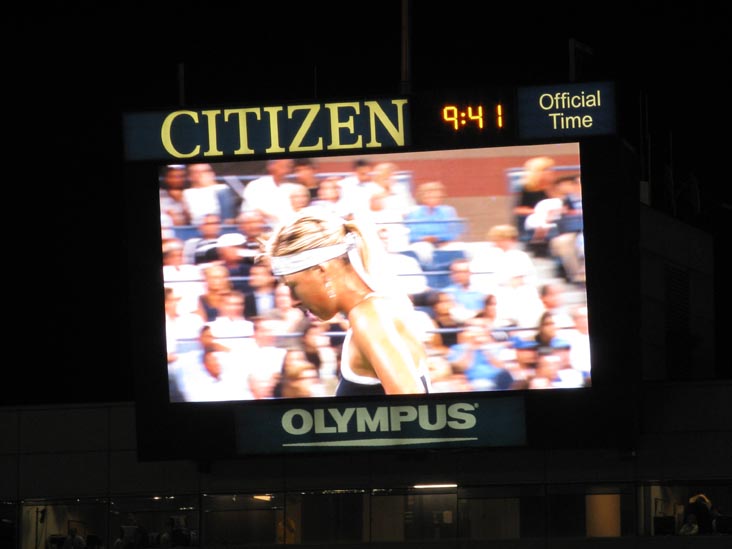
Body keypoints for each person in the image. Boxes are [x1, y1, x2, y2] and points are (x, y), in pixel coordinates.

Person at [264, 205, 431, 396]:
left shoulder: (369, 317)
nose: (293, 301)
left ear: (322, 271)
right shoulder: (375, 310)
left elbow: (411, 404)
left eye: (293, 286)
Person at [404, 181, 465, 265]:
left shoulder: (448, 211)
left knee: (461, 249)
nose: (435, 198)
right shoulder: (414, 212)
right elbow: (411, 235)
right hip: (421, 243)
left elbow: (454, 233)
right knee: (423, 250)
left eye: (437, 196)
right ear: (423, 196)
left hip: (444, 243)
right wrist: (423, 238)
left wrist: (437, 238)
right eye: (431, 195)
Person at [240, 158, 297, 227]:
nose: (287, 170)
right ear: (271, 167)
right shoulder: (256, 185)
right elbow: (252, 211)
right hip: (264, 229)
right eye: (283, 166)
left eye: (289, 166)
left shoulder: (294, 188)